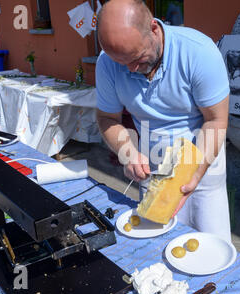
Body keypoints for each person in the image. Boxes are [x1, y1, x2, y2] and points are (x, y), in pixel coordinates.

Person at [95, 0, 231, 242]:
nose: (131, 69)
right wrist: (128, 152)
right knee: (157, 248)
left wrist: (194, 175)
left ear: (154, 29)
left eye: (137, 58)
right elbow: (107, 118)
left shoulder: (200, 51)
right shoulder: (107, 62)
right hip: (153, 170)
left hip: (202, 166)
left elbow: (215, 121)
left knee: (208, 248)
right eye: (122, 62)